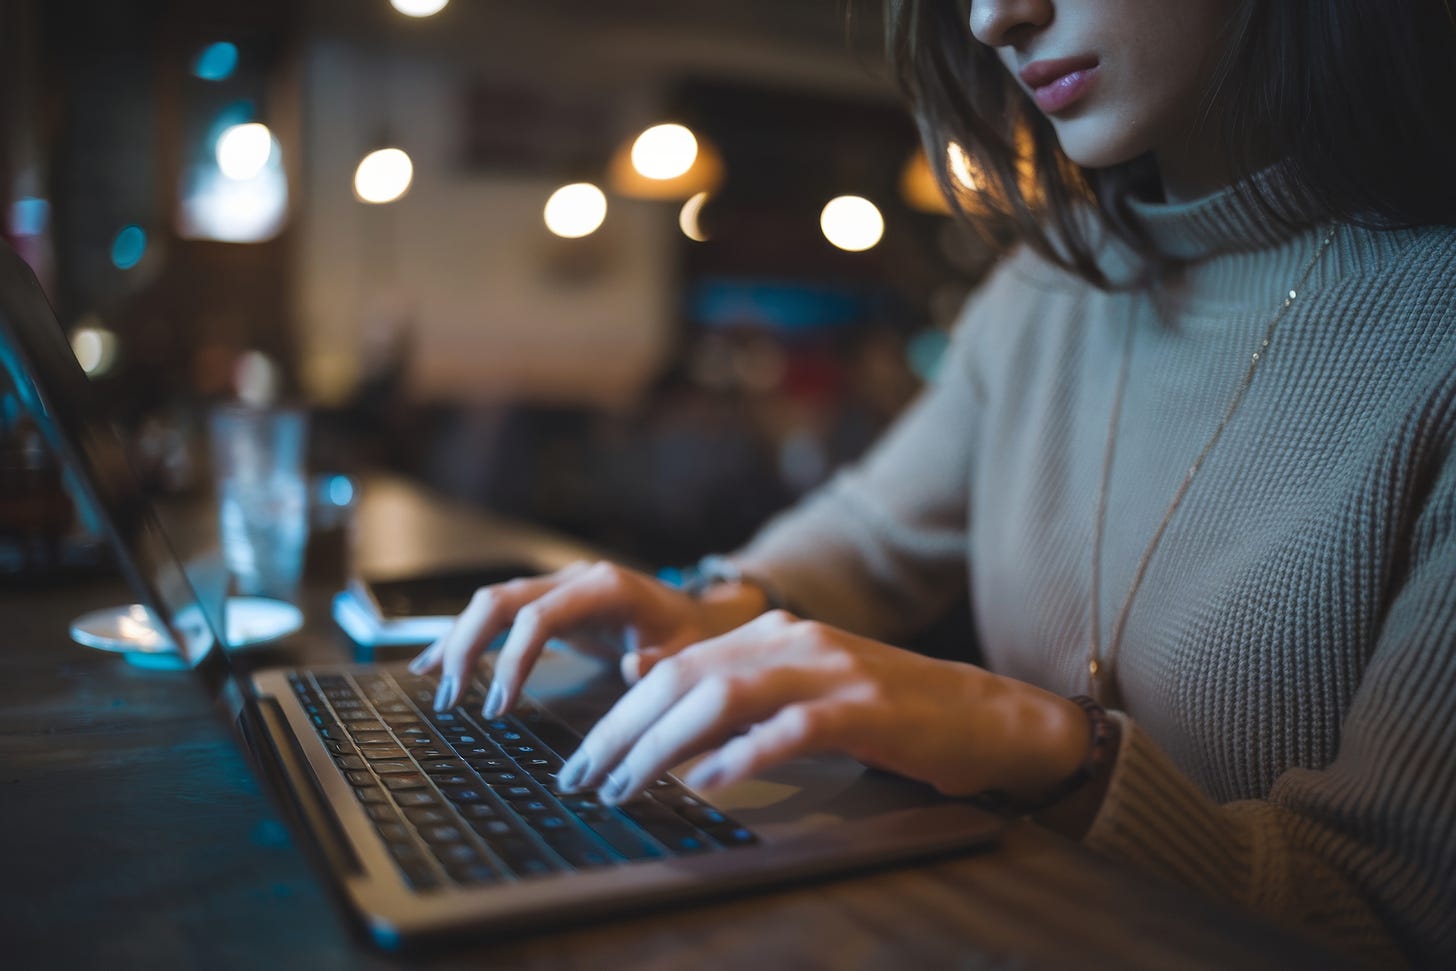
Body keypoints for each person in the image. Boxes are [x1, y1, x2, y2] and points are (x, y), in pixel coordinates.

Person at [413, 1, 1456, 964]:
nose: (993, 16)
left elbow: (1385, 919)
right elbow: (871, 532)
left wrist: (1042, 741)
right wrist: (707, 601)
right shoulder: (1048, 280)